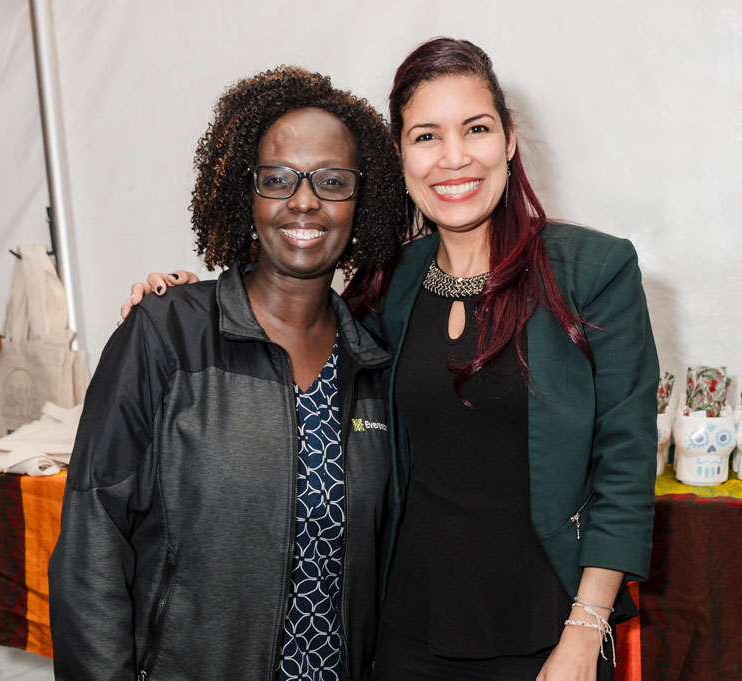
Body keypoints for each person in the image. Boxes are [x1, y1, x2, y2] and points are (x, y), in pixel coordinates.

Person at [123, 38, 658, 681]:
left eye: (477, 129)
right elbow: (297, 330)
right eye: (426, 136)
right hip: (406, 634)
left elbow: (624, 466)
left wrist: (584, 631)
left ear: (510, 140)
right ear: (400, 159)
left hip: (548, 634)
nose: (453, 158)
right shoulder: (389, 284)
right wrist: (198, 305)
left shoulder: (592, 271)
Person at [48, 66, 406, 681]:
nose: (303, 200)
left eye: (332, 180)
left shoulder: (372, 362)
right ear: (247, 193)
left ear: (361, 200)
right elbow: (91, 550)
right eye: (277, 178)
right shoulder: (165, 335)